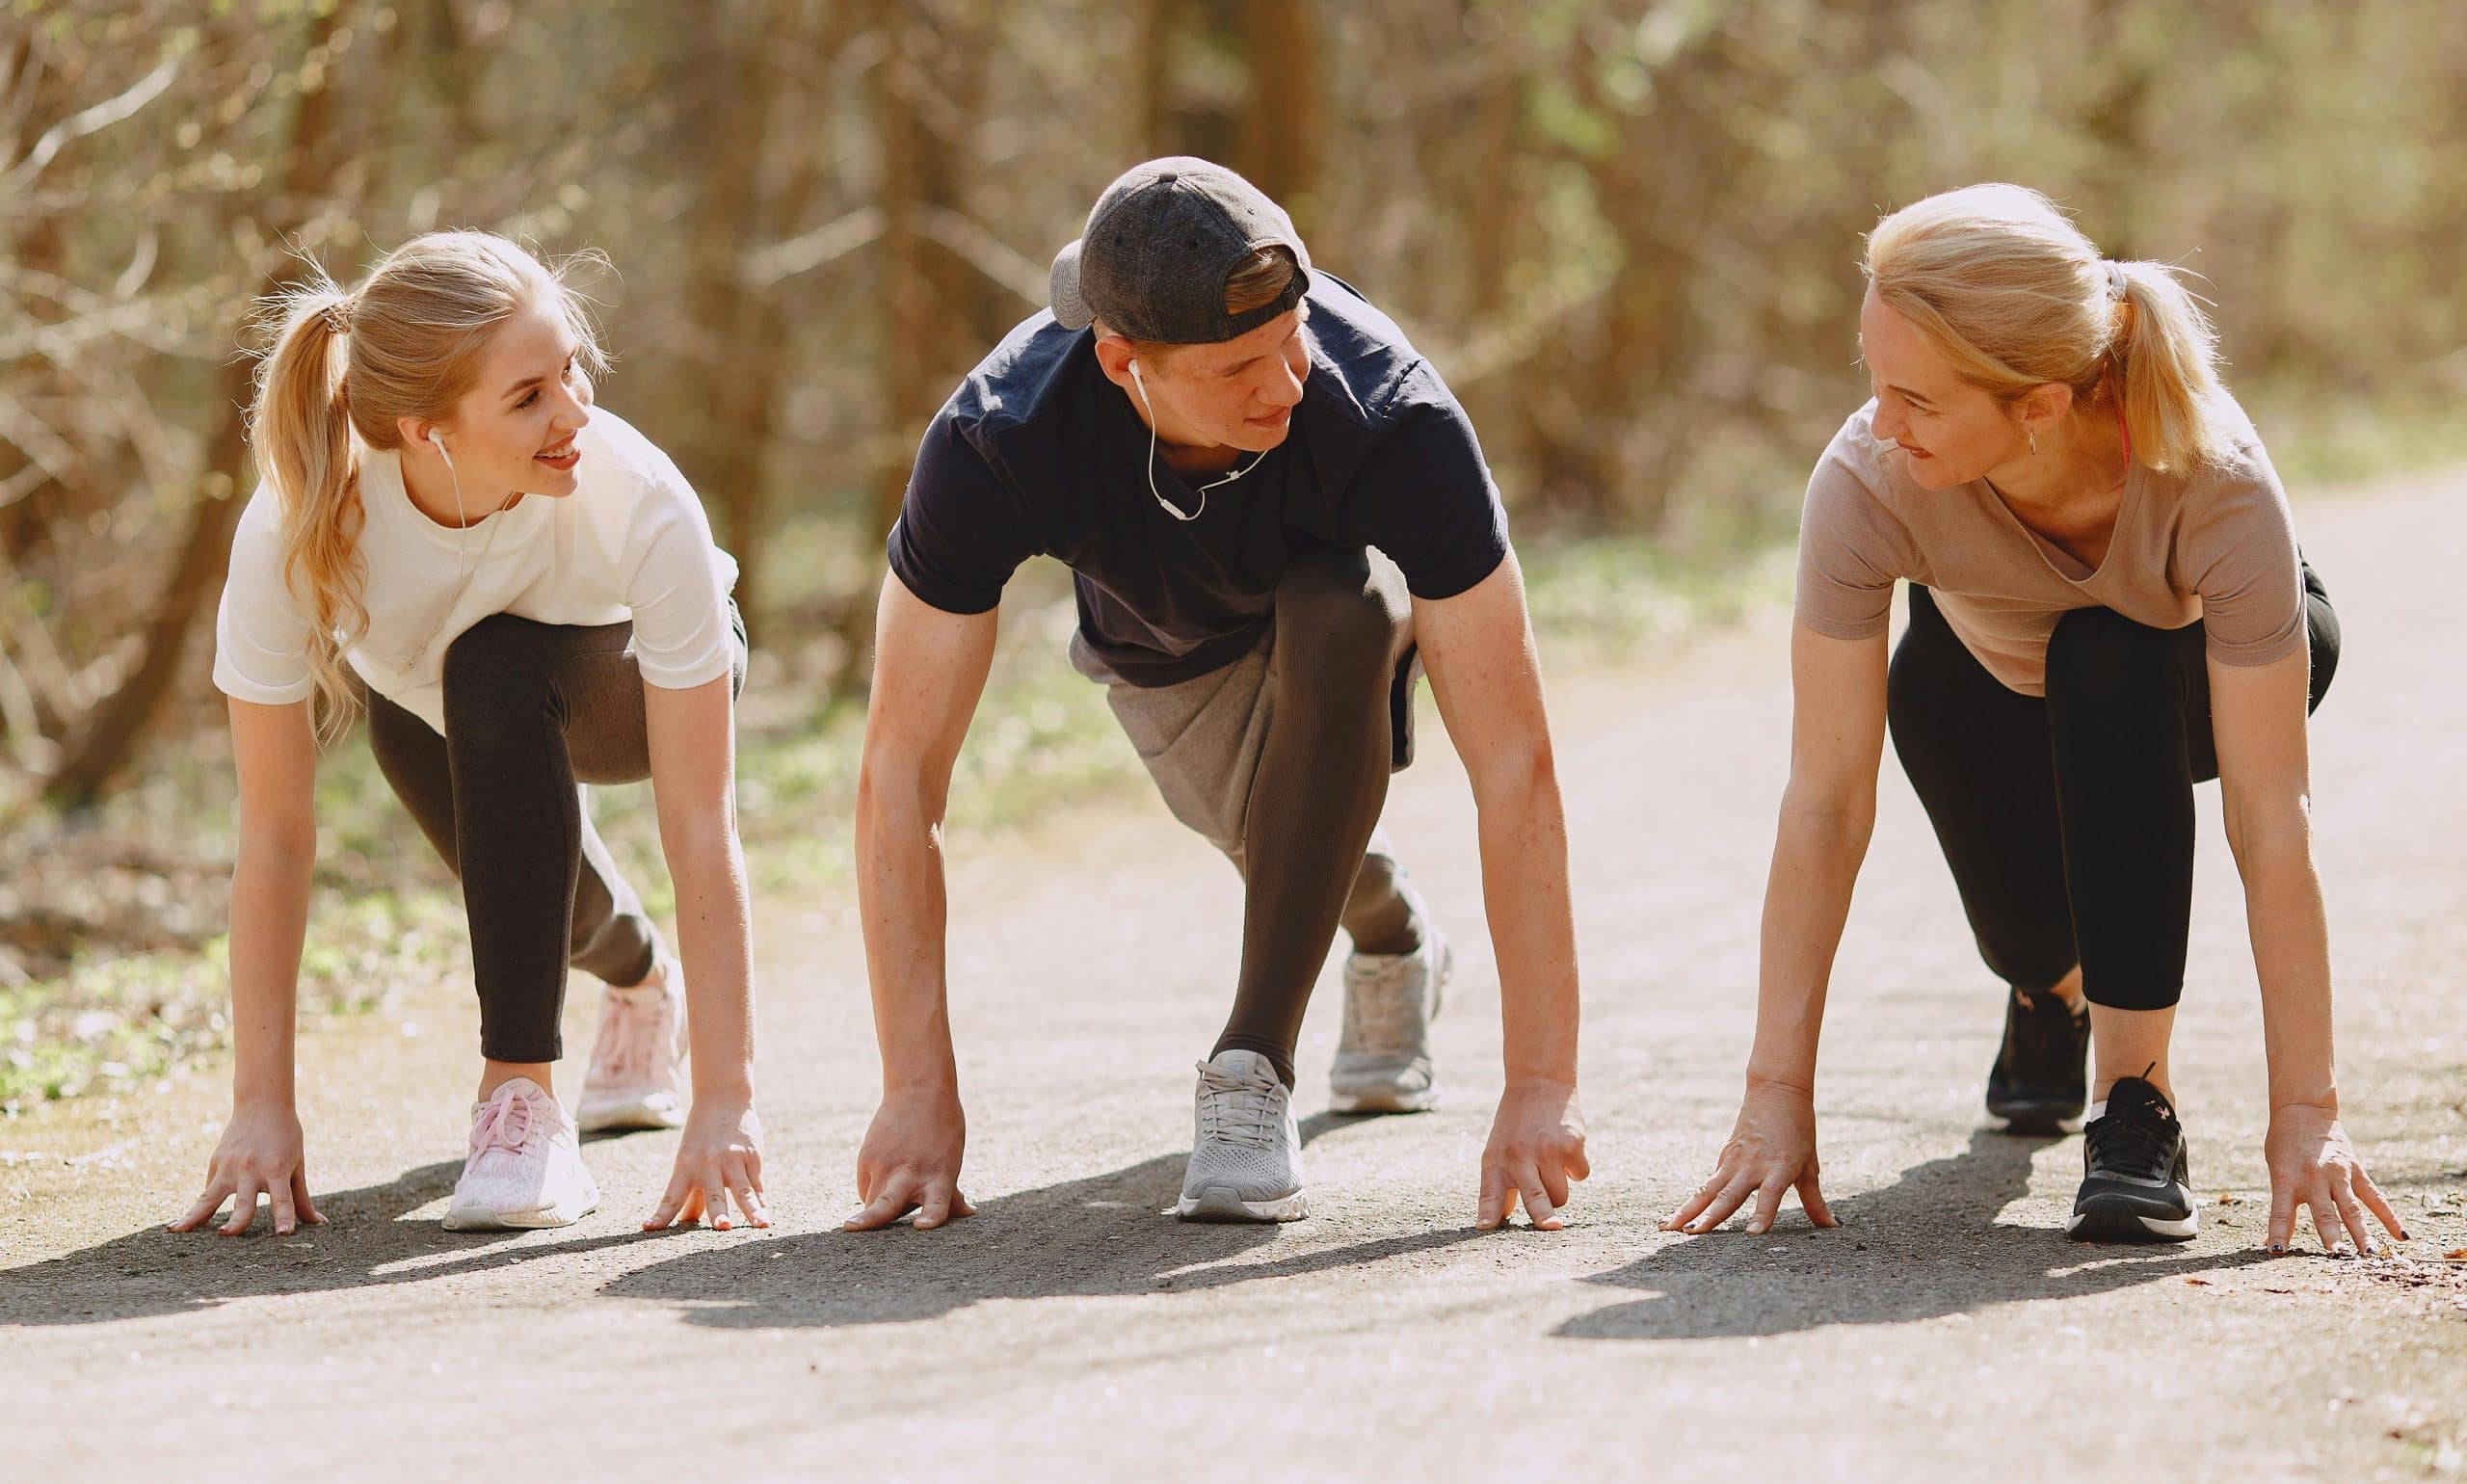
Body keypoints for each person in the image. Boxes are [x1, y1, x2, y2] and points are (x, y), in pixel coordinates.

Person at [1667, 184, 2406, 1253]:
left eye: (1917, 399)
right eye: (1873, 379)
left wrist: (2309, 1112)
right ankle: (2050, 996)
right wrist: (1774, 1094)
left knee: (2106, 655)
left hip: (2188, 670)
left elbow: (2268, 817)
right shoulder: (1869, 479)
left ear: (2039, 408)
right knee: (2023, 936)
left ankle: (2134, 1105)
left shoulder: (2212, 477)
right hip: (1981, 670)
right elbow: (1823, 802)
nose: (1881, 421)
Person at [849, 158, 1587, 1228]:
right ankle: (1395, 941)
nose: (1286, 384)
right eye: (1240, 365)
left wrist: (1541, 1086)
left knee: (1339, 603)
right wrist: (915, 1093)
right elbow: (899, 772)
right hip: (1167, 657)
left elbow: (1517, 761)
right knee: (1299, 860)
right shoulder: (999, 437)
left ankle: (1250, 1073)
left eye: (1294, 337)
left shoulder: (1393, 415)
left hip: (1341, 615)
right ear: (1120, 361)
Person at [174, 231, 767, 1236]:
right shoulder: (298, 526)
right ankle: (641, 983)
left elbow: (702, 826)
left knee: (494, 665)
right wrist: (259, 1105)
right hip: (434, 707)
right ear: (424, 431)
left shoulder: (637, 494)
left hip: (631, 683)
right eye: (529, 395)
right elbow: (272, 837)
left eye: (570, 369)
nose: (575, 411)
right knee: (532, 892)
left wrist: (726, 1100)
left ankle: (519, 1109)